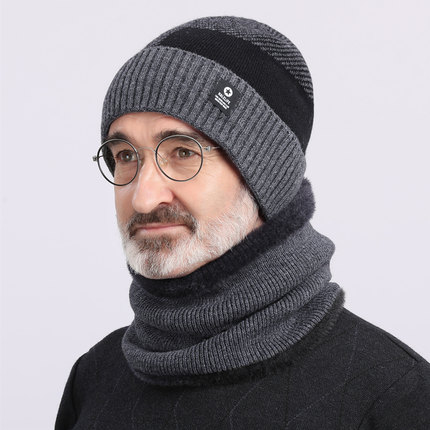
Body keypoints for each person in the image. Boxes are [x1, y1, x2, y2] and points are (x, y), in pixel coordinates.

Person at [55, 16, 430, 429]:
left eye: (183, 152)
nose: (144, 197)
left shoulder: (393, 396)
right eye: (126, 155)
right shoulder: (95, 377)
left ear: (265, 177)